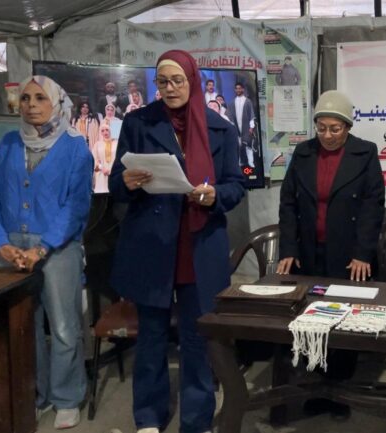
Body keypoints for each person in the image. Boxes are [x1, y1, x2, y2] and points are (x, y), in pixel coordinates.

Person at [109, 49, 245, 433]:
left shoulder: (220, 129)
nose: (170, 89)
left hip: (198, 245)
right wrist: (128, 182)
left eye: (177, 81)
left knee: (197, 337)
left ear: (193, 81)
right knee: (151, 336)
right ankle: (148, 417)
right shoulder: (139, 122)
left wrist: (215, 195)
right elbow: (117, 184)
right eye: (163, 82)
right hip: (152, 243)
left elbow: (236, 186)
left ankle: (196, 419)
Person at [0, 75, 93, 429]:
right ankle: (36, 393)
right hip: (11, 248)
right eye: (26, 98)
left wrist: (42, 247)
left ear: (57, 103)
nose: (31, 104)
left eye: (40, 98)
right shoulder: (9, 143)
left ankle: (66, 397)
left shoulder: (76, 148)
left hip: (57, 247)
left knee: (63, 326)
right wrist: (0, 240)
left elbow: (76, 207)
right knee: (22, 325)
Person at [277, 89, 385, 418]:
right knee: (313, 318)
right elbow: (288, 203)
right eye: (321, 128)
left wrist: (363, 253)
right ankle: (317, 388)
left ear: (347, 127)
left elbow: (372, 206)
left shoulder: (365, 153)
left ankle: (340, 393)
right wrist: (289, 247)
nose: (327, 135)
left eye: (335, 129)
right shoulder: (304, 153)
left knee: (343, 321)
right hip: (310, 252)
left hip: (349, 255)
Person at [226, 82, 257, 167]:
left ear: (243, 89)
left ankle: (251, 162)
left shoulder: (248, 101)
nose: (238, 90)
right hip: (236, 127)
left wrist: (251, 127)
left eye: (239, 88)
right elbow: (229, 115)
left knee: (248, 145)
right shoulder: (232, 102)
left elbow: (251, 115)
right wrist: (232, 126)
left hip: (246, 127)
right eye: (236, 88)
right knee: (238, 146)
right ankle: (239, 162)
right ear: (235, 90)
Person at [92, 123, 116, 193]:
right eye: (102, 131)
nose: (105, 132)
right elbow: (94, 159)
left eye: (107, 130)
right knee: (102, 194)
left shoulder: (117, 143)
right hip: (102, 173)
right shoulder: (97, 144)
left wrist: (112, 169)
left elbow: (119, 158)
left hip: (114, 172)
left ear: (110, 130)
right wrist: (102, 168)